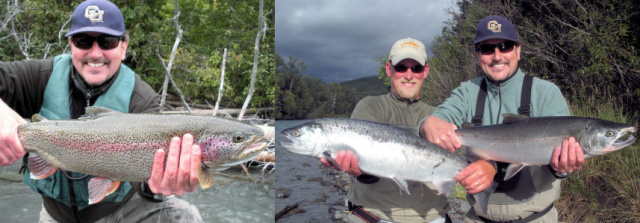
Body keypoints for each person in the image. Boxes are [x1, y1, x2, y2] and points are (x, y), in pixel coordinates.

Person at [0, 0, 203, 222]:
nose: (95, 53)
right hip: (56, 215)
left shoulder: (142, 101)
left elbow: (144, 183)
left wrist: (159, 184)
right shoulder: (39, 76)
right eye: (83, 41)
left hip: (119, 211)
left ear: (123, 47)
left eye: (107, 42)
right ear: (71, 44)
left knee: (185, 216)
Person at [419, 15, 584, 222]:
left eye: (504, 46)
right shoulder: (467, 92)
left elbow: (561, 163)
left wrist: (563, 170)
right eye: (487, 49)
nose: (497, 56)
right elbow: (440, 119)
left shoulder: (546, 93)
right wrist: (428, 123)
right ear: (478, 54)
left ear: (518, 50)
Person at [321, 38, 451, 223]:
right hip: (374, 215)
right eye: (401, 67)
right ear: (389, 69)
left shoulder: (439, 116)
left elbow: (464, 160)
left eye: (416, 68)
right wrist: (361, 172)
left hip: (432, 217)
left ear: (425, 71)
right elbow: (364, 167)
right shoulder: (369, 106)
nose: (409, 75)